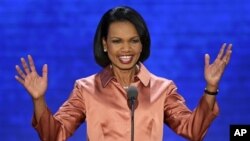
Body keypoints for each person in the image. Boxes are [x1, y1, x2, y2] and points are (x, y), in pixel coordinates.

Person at [15, 6, 232, 141]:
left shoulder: (163, 89)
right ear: (105, 44)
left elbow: (193, 131)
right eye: (117, 41)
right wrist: (39, 99)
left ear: (141, 44)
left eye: (133, 41)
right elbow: (54, 135)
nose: (126, 49)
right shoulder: (86, 88)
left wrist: (211, 88)